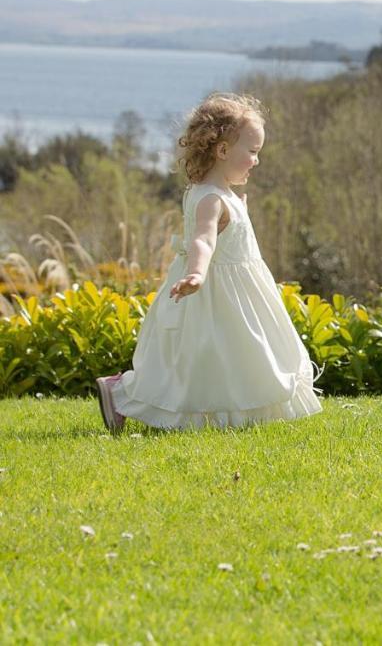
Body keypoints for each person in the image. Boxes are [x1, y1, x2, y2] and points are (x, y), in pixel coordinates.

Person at [92, 93, 322, 432]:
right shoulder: (211, 200)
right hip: (217, 293)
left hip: (238, 292)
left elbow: (225, 233)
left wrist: (239, 210)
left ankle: (229, 416)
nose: (257, 161)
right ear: (223, 150)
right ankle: (122, 391)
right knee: (209, 357)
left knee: (228, 356)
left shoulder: (216, 193)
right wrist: (197, 273)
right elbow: (203, 239)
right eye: (253, 152)